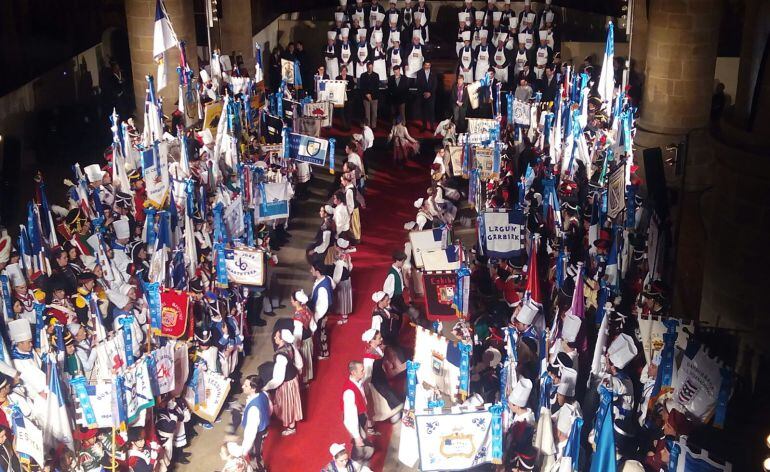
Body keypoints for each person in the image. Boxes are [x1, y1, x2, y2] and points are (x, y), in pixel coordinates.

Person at [263, 329, 303, 436]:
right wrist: (299, 370)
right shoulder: (290, 346)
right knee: (293, 400)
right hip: (293, 378)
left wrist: (267, 387)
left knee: (287, 403)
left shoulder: (281, 356)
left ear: (282, 339)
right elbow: (299, 361)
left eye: (277, 337)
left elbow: (278, 378)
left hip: (287, 383)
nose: (274, 338)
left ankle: (291, 426)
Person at [361, 328, 403, 423]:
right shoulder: (368, 358)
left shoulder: (378, 349)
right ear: (372, 340)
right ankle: (394, 415)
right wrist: (366, 390)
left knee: (387, 396)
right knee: (385, 397)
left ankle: (394, 413)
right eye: (379, 338)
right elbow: (368, 374)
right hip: (376, 382)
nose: (381, 339)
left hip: (381, 377)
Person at [341, 361, 374, 468]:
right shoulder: (349, 392)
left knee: (362, 441)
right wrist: (356, 436)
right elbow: (350, 416)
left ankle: (361, 463)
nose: (364, 372)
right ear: (353, 372)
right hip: (354, 420)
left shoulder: (358, 380)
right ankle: (355, 464)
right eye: (362, 370)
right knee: (359, 444)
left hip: (360, 416)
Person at [238, 375, 271, 471]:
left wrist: (244, 451)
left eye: (246, 386)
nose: (242, 387)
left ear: (253, 389)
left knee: (255, 456)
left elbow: (250, 433)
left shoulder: (253, 410)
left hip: (257, 434)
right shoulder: (263, 394)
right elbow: (270, 408)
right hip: (263, 427)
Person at [309, 263, 334, 360]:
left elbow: (322, 306)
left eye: (312, 269)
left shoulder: (322, 288)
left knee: (321, 332)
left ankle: (324, 353)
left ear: (317, 272)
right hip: (323, 311)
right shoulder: (327, 278)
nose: (310, 271)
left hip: (321, 313)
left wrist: (315, 317)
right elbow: (334, 285)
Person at [332, 238, 354, 324]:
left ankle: (345, 316)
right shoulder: (345, 255)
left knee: (343, 297)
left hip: (343, 280)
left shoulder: (342, 258)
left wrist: (334, 282)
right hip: (346, 278)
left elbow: (338, 273)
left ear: (338, 247)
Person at [382, 250, 408, 316]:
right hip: (395, 299)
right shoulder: (392, 275)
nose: (403, 263)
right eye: (402, 262)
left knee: (403, 311)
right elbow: (387, 289)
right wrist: (388, 302)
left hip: (399, 297)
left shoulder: (398, 270)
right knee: (398, 315)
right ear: (397, 260)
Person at [415, 60, 437, 131]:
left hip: (431, 96)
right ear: (423, 65)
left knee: (431, 112)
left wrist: (430, 93)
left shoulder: (433, 73)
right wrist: (424, 93)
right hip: (422, 95)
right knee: (423, 111)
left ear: (430, 65)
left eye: (428, 65)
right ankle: (424, 126)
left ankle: (432, 127)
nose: (427, 66)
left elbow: (435, 84)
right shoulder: (419, 73)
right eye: (426, 65)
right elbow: (418, 84)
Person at [359, 62, 380, 129]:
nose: (370, 69)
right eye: (369, 67)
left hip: (374, 97)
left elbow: (376, 87)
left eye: (371, 67)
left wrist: (371, 95)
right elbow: (362, 86)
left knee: (374, 113)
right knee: (367, 114)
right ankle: (368, 127)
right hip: (365, 97)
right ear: (367, 67)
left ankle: (373, 126)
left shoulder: (376, 75)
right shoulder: (363, 75)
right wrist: (367, 94)